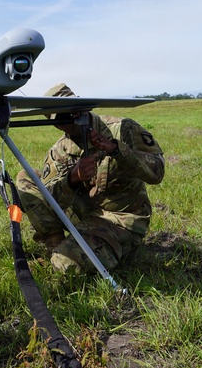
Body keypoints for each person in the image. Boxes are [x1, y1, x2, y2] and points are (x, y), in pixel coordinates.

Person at [15, 83, 164, 276]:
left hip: (122, 220)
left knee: (65, 264)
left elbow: (157, 172)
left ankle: (112, 247)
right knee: (26, 177)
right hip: (83, 215)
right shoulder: (59, 152)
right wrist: (73, 178)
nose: (75, 116)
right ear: (56, 124)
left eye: (76, 108)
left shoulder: (122, 129)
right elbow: (51, 204)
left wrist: (117, 151)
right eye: (64, 115)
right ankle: (56, 246)